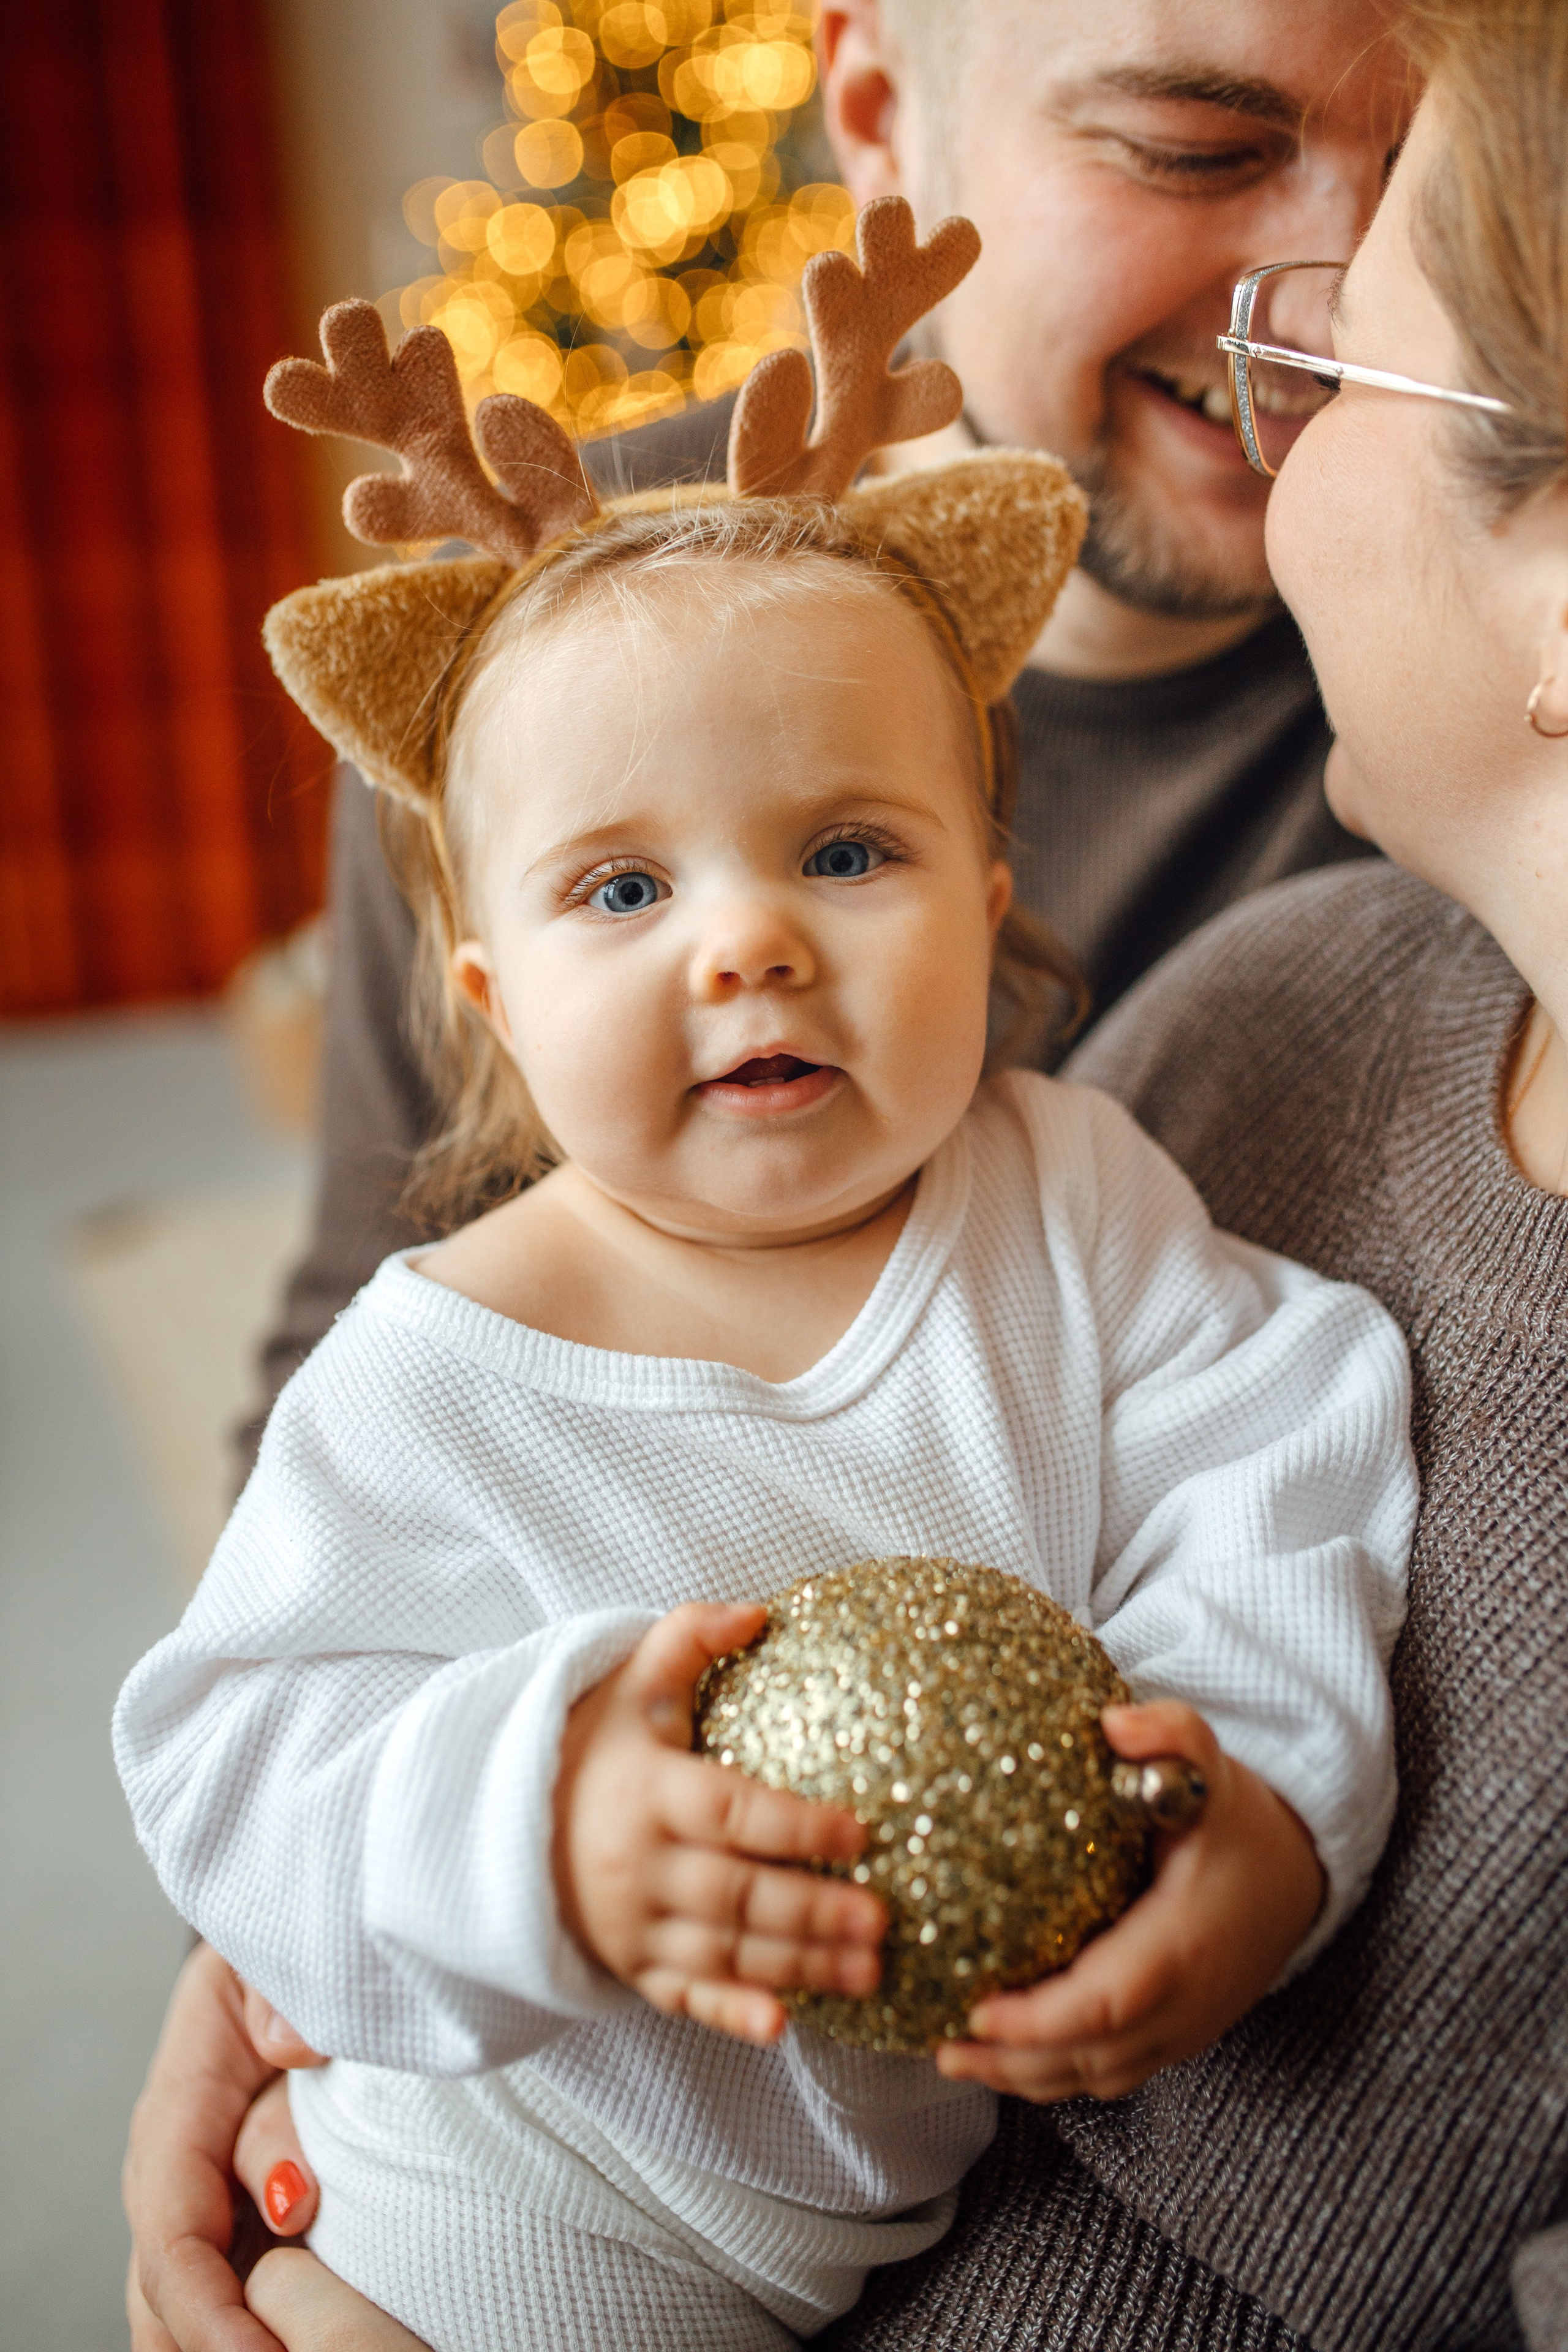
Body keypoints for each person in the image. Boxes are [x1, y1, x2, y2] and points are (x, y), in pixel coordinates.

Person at [118, 1, 1568, 2349]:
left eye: (854, 850)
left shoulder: (1125, 1139)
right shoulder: (533, 653)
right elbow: (249, 1723)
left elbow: (1288, 1466)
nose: (751, 939)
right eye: (1197, 141)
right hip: (515, 2217)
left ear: (998, 904)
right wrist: (500, 1845)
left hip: (883, 2218)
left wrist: (1261, 1823)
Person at [242, 0, 1410, 1455]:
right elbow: (348, 1412)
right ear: (872, 113)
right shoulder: (515, 645)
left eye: (1432, 171)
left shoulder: (1489, 676)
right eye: (1195, 152)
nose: (1329, 317)